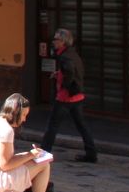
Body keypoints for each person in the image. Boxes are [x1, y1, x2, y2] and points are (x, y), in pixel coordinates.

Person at [41, 28, 98, 163]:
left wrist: (65, 85)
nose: (53, 42)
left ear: (63, 41)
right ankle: (91, 154)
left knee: (52, 126)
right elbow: (72, 71)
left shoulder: (65, 56)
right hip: (77, 97)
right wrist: (59, 74)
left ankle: (43, 154)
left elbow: (70, 72)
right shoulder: (72, 54)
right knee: (82, 126)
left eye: (56, 39)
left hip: (65, 97)